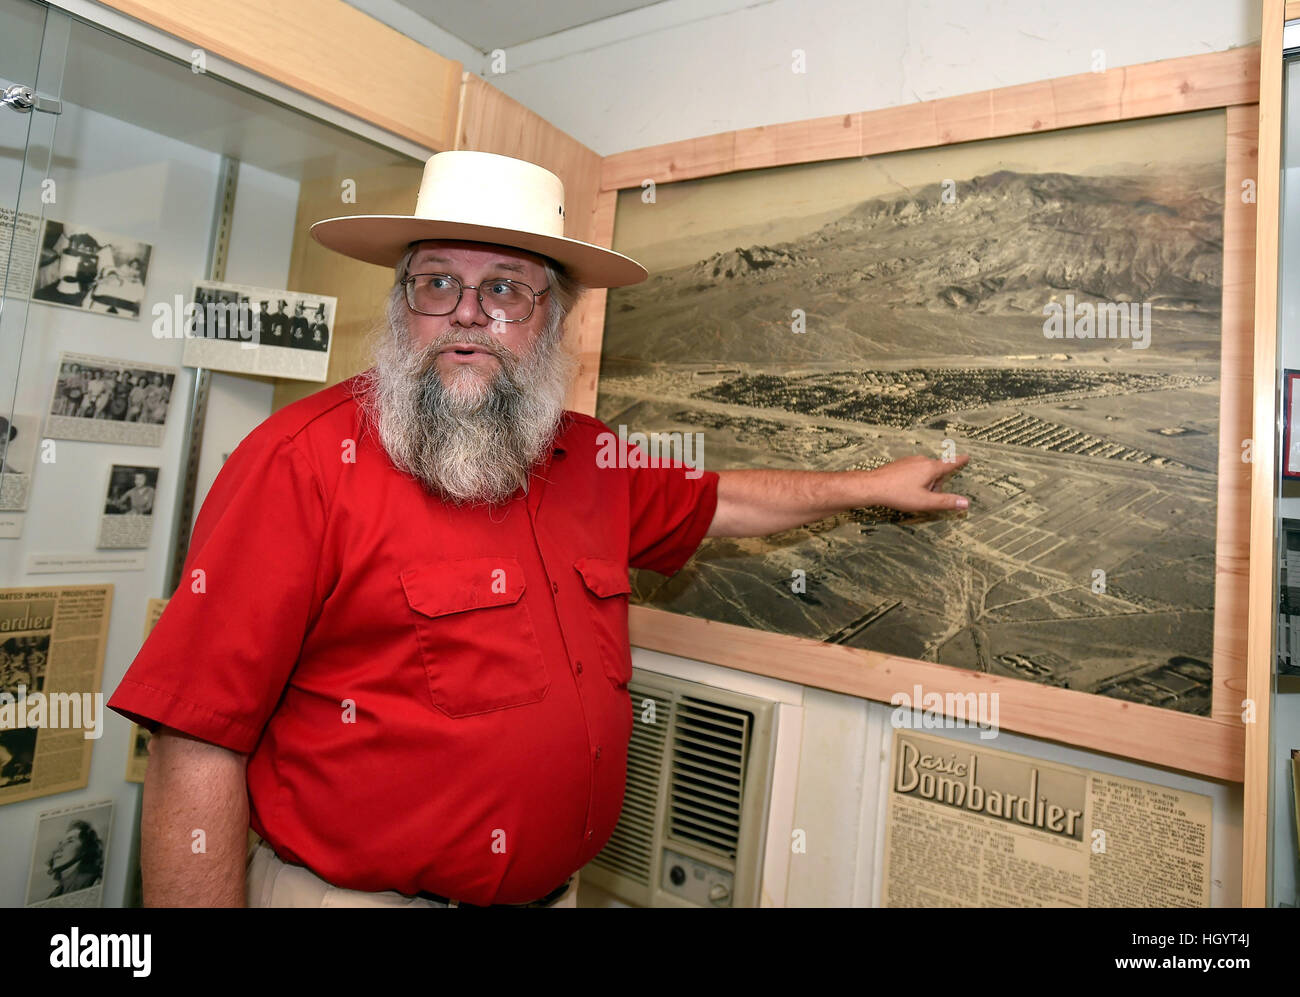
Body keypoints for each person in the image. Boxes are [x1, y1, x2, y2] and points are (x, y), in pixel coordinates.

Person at [108, 151, 969, 909]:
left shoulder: (587, 457)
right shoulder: (296, 464)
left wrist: (869, 487)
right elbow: (196, 739)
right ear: (402, 304)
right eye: (437, 281)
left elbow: (722, 502)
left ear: (551, 320)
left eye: (506, 288)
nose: (468, 312)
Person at [46, 820, 105, 898]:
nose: (58, 849)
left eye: (70, 841)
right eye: (60, 843)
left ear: (85, 849)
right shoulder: (57, 892)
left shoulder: (93, 883)